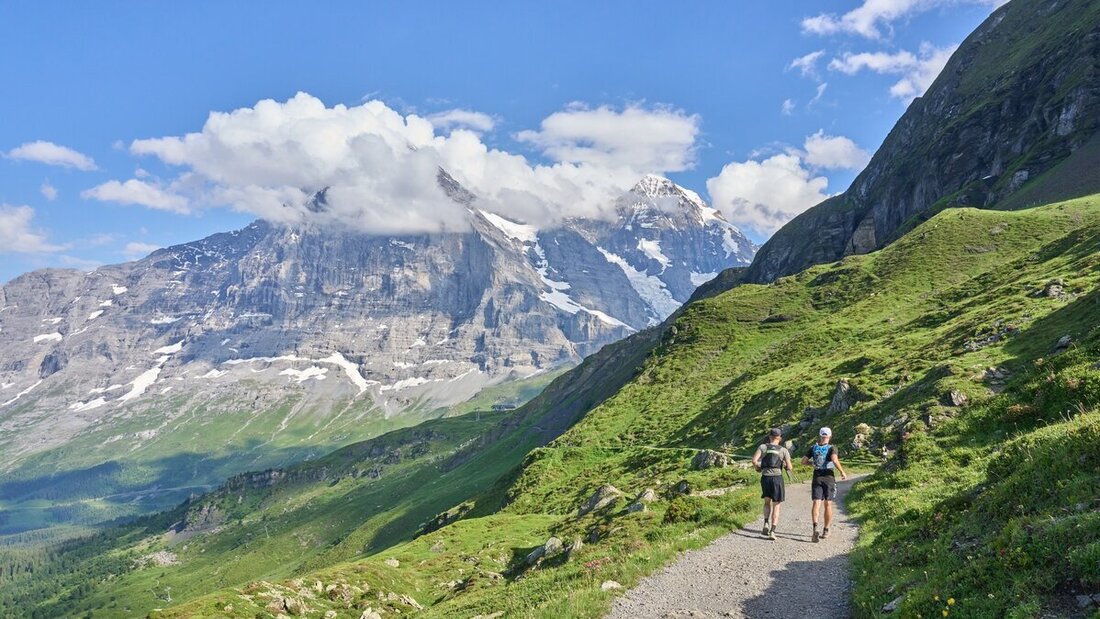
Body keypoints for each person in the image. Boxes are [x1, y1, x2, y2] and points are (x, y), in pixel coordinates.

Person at [802, 426, 848, 542]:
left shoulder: (813, 447)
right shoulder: (832, 448)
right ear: (830, 436)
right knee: (828, 504)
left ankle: (815, 528)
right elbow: (834, 460)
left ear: (820, 435)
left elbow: (803, 461)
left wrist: (812, 463)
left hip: (817, 477)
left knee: (816, 503)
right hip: (829, 477)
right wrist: (842, 471)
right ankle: (826, 529)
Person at [751, 428, 793, 540]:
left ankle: (765, 522)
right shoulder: (783, 450)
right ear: (779, 438)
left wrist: (757, 468)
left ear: (770, 437)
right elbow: (789, 467)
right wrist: (785, 464)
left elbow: (754, 460)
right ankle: (772, 531)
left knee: (767, 502)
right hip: (777, 478)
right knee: (776, 505)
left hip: (765, 478)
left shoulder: (763, 447)